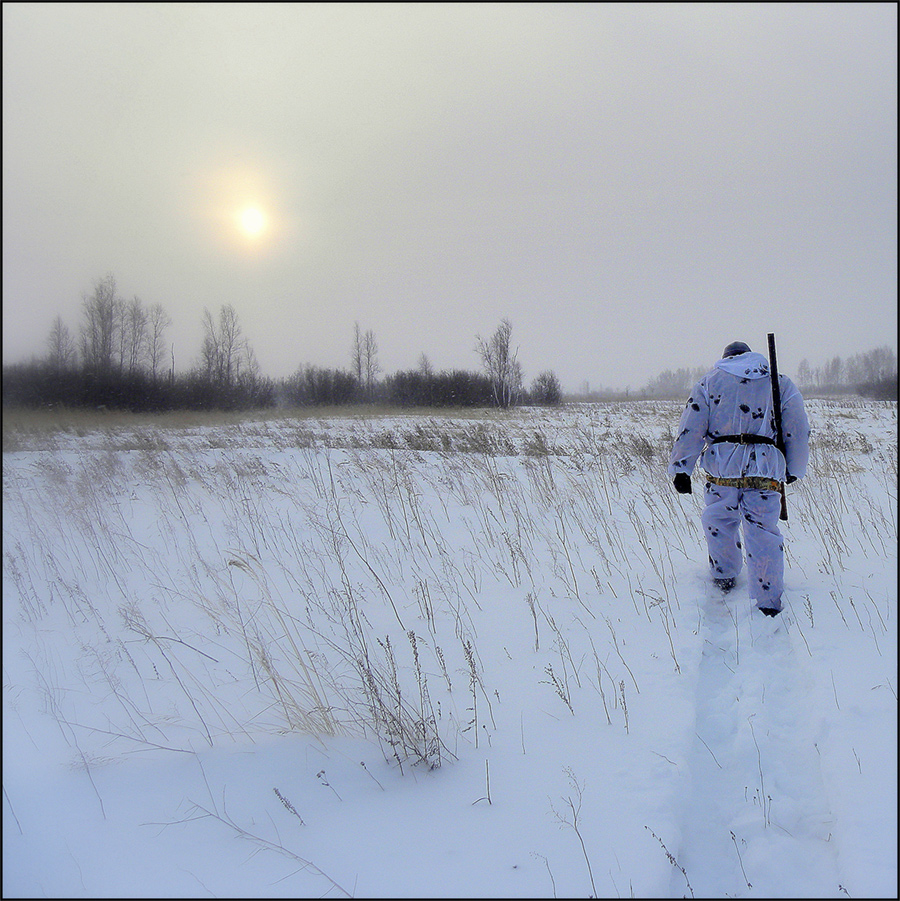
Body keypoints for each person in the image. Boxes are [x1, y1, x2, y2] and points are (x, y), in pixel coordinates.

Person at [668, 341, 810, 616]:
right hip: (765, 469)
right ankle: (768, 600)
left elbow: (692, 426)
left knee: (719, 520)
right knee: (763, 531)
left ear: (726, 358)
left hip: (723, 469)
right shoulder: (779, 381)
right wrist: (794, 467)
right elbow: (797, 427)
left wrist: (681, 468)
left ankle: (724, 575)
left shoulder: (710, 381)